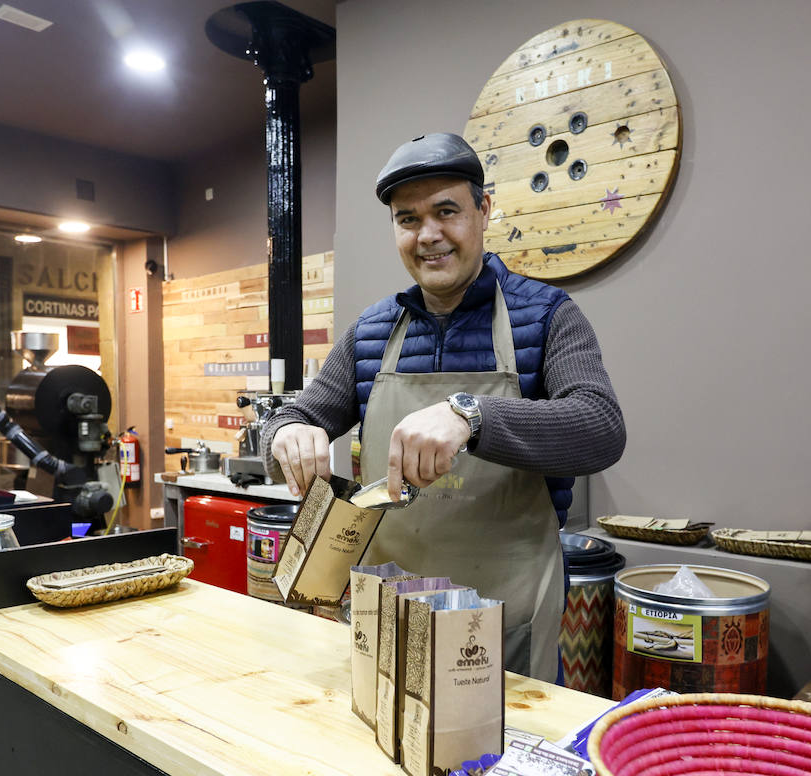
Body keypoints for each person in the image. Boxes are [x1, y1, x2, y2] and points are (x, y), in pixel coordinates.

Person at [262, 132, 625, 681]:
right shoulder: (371, 332)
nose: (427, 235)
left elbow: (601, 428)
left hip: (503, 624)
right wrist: (288, 431)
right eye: (407, 219)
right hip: (389, 612)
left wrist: (471, 416)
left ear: (483, 210)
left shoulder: (547, 315)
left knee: (491, 762)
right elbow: (299, 416)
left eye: (446, 211)